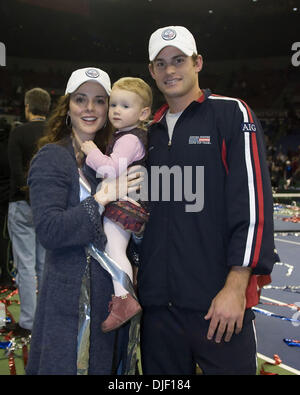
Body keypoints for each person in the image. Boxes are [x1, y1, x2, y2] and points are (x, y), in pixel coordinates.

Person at [137, 26, 276, 375]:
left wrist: (236, 287)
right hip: (158, 310)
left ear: (198, 62)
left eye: (179, 60)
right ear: (152, 72)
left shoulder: (230, 113)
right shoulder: (147, 134)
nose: (170, 70)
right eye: (161, 63)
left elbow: (254, 204)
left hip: (218, 306)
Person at [25, 67, 142, 375]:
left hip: (109, 306)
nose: (90, 108)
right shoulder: (52, 157)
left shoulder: (111, 159)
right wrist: (101, 198)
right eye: (80, 99)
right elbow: (49, 231)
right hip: (69, 306)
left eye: (99, 100)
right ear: (68, 107)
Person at [80, 77, 152, 333]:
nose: (116, 111)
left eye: (125, 106)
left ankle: (123, 299)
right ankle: (125, 293)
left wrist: (91, 152)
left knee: (113, 248)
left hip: (126, 204)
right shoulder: (128, 135)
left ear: (143, 113)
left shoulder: (129, 139)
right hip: (130, 201)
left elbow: (112, 169)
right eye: (114, 105)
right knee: (117, 249)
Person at [6, 88, 51, 337]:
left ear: (27, 107)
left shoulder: (18, 132)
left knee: (25, 265)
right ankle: (45, 318)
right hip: (47, 206)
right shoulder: (53, 133)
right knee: (44, 264)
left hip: (22, 204)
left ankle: (28, 322)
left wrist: (29, 195)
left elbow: (15, 171)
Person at [0, 118, 12, 288]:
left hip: (6, 201)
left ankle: (6, 276)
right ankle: (6, 275)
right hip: (6, 200)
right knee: (4, 239)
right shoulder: (10, 147)